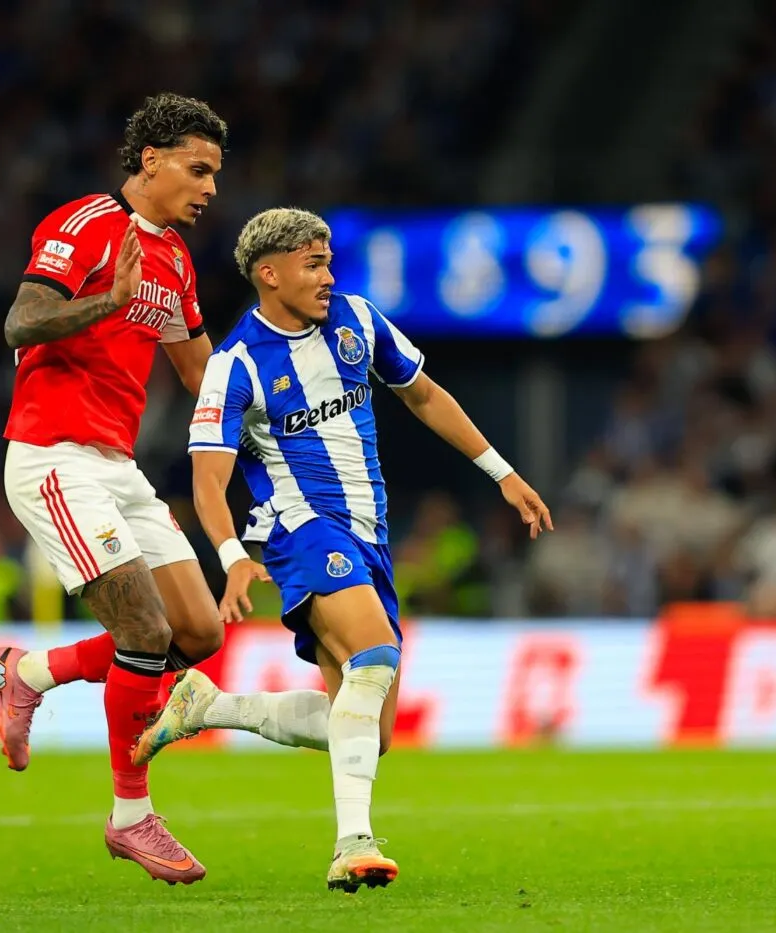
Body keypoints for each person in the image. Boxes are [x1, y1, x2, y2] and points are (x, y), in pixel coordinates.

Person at [132, 207, 553, 891]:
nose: (329, 277)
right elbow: (207, 480)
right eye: (313, 264)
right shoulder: (235, 365)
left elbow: (423, 395)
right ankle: (353, 842)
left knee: (369, 730)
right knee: (375, 655)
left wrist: (502, 473)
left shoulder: (358, 320)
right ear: (270, 274)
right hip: (300, 529)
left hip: (369, 534)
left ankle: (209, 707)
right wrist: (233, 555)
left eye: (328, 262)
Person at [0, 93, 228, 885]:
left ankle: (30, 673)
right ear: (151, 160)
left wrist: (276, 414)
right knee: (145, 631)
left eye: (215, 174)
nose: (210, 188)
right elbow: (22, 321)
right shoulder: (87, 222)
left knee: (198, 632)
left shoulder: (176, 259)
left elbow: (199, 372)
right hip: (53, 455)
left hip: (118, 466)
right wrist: (109, 302)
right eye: (198, 169)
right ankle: (131, 817)